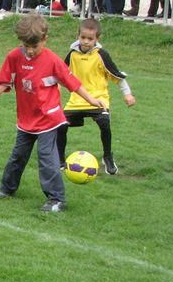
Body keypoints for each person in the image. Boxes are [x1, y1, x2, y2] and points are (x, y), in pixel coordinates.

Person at [0, 15, 106, 212]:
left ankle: (57, 199)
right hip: (26, 119)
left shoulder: (52, 60)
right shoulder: (14, 57)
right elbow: (4, 81)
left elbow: (72, 83)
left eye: (35, 46)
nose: (30, 51)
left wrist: (92, 100)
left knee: (46, 158)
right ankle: (7, 188)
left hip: (49, 119)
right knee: (18, 156)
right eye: (26, 46)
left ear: (45, 39)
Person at [57, 18, 135, 176]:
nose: (86, 41)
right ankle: (59, 160)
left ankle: (107, 157)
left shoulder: (101, 55)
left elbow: (117, 76)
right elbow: (61, 76)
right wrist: (56, 90)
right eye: (83, 37)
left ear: (97, 39)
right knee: (60, 125)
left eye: (90, 38)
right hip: (76, 101)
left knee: (104, 122)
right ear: (78, 36)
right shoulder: (72, 54)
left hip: (98, 100)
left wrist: (127, 94)